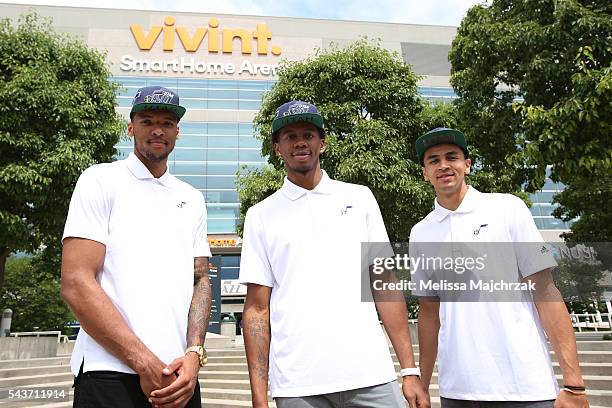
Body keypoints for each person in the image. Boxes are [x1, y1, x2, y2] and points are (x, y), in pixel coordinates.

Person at [239, 100, 429, 408]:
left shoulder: (359, 198)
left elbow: (385, 285)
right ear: (277, 148)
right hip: (298, 385)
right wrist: (259, 398)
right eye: (290, 136)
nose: (300, 141)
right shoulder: (261, 216)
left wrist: (409, 370)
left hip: (370, 374)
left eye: (308, 134)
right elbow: (257, 309)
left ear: (322, 143)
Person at [410, 127, 588, 408]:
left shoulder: (508, 209)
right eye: (433, 160)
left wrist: (574, 385)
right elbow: (429, 312)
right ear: (424, 172)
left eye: (451, 157)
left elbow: (546, 291)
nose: (443, 165)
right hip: (458, 393)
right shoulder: (420, 233)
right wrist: (422, 382)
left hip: (525, 389)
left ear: (467, 165)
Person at [61, 86, 212, 408]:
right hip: (110, 372)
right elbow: (76, 282)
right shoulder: (99, 180)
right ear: (131, 128)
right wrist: (143, 361)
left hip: (177, 376)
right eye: (147, 121)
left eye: (168, 122)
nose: (158, 129)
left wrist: (194, 354)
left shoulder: (192, 198)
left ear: (177, 132)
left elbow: (199, 280)